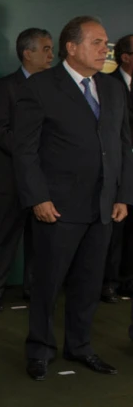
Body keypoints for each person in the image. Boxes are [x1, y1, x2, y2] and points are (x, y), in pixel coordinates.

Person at [15, 16, 133, 380]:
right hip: (57, 208)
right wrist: (38, 198)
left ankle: (80, 346)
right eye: (97, 43)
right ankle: (40, 350)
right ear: (72, 47)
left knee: (88, 284)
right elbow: (25, 150)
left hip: (103, 208)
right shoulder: (41, 86)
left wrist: (123, 195)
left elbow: (124, 145)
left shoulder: (113, 89)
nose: (105, 50)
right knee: (48, 284)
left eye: (106, 44)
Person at [0, 28, 53, 311]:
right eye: (46, 49)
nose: (52, 54)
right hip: (10, 178)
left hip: (43, 180)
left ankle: (33, 290)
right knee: (5, 238)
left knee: (39, 241)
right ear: (28, 53)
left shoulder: (55, 87)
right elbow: (0, 131)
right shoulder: (5, 86)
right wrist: (32, 150)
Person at [101, 33, 133, 302]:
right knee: (115, 230)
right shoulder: (108, 85)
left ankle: (128, 280)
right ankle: (108, 282)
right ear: (125, 57)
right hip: (115, 169)